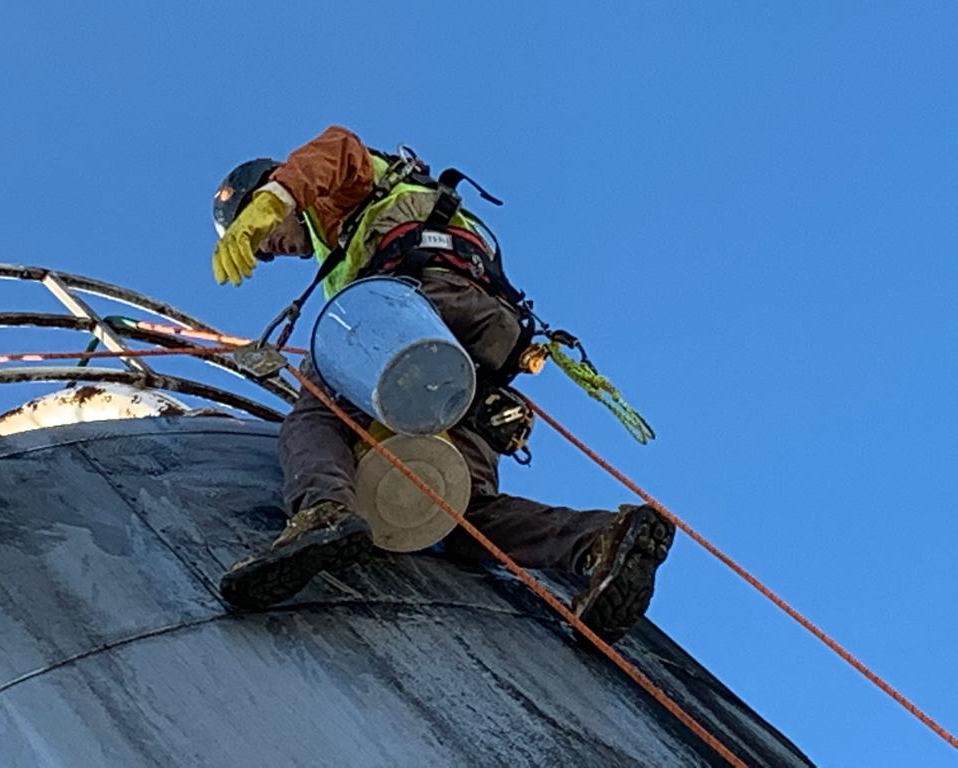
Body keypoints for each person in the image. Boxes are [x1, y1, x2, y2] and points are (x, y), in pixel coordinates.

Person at [210, 126, 674, 644]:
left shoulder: (332, 199)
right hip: (478, 339)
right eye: (262, 250)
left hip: (416, 304)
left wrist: (280, 194)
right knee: (455, 511)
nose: (268, 249)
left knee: (316, 411)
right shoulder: (344, 240)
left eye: (255, 231)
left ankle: (323, 511)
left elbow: (340, 147)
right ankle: (600, 543)